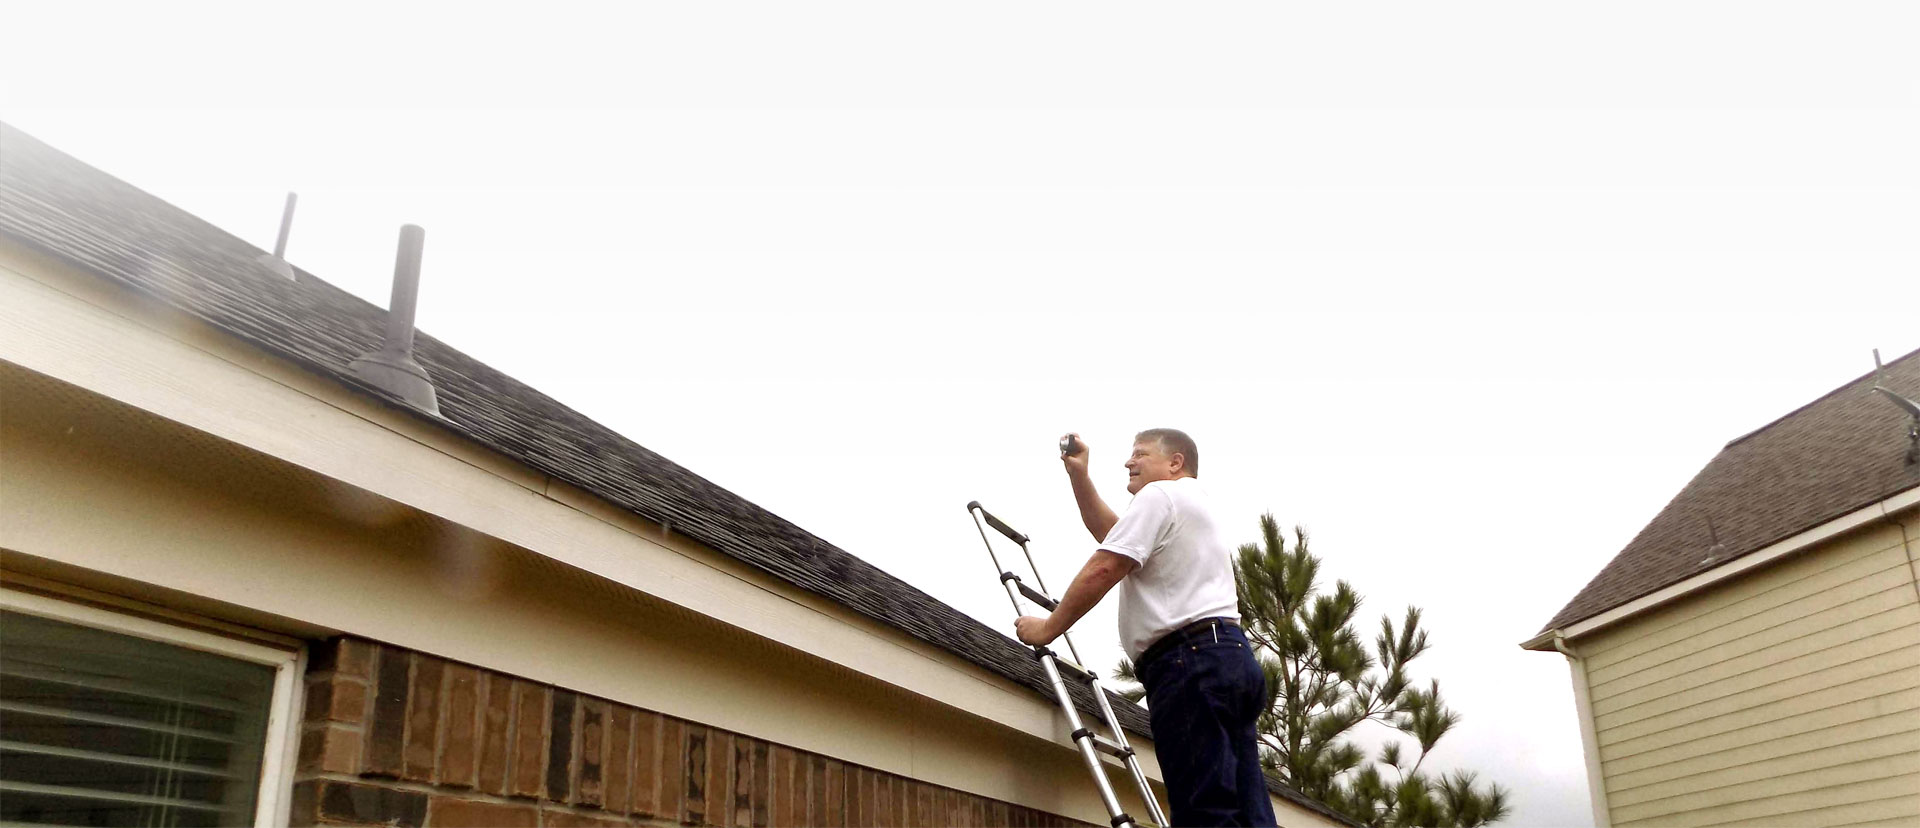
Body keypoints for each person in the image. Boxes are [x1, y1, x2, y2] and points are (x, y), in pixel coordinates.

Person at [1014, 429, 1275, 828]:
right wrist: (1080, 476)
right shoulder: (1192, 504)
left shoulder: (1161, 496)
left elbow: (1106, 565)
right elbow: (1112, 535)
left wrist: (1049, 627)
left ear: (1175, 463)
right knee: (1249, 810)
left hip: (1189, 664)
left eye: (1140, 454)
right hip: (1229, 660)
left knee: (1204, 811)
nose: (1128, 462)